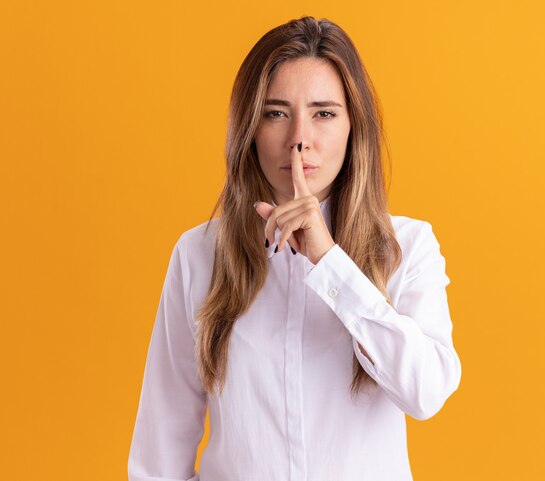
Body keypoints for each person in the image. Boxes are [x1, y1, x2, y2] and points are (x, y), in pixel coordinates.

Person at [128, 15, 462, 481]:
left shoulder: (406, 247)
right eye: (276, 113)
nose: (299, 140)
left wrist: (330, 263)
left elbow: (425, 392)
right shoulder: (199, 255)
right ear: (249, 127)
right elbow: (160, 444)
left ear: (353, 127)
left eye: (324, 113)